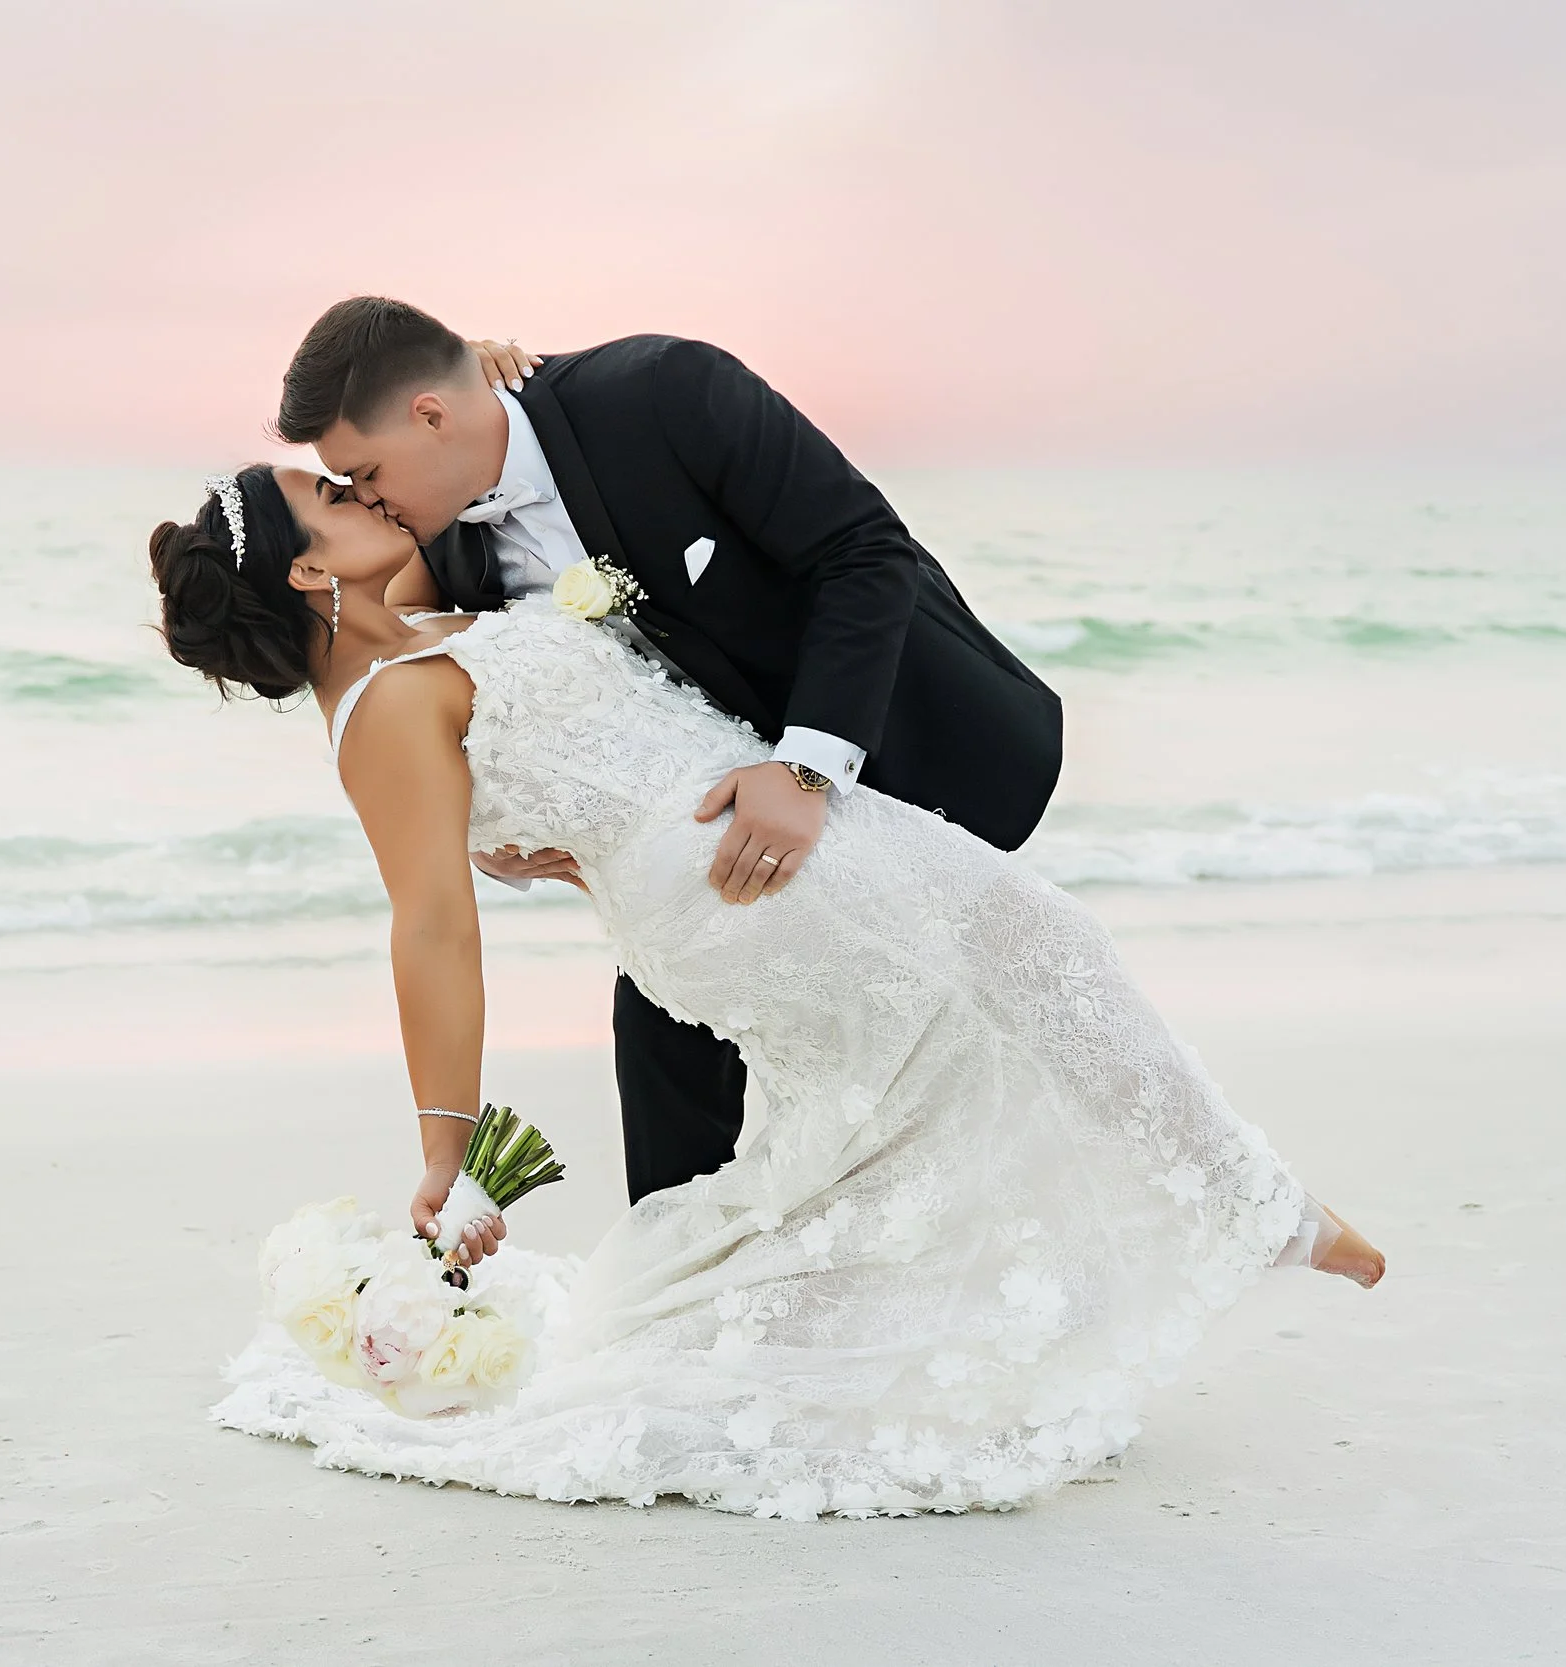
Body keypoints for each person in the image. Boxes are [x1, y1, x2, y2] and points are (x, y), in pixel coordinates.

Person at [146, 447, 1383, 1518]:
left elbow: (514, 625)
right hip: (742, 886)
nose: (360, 489)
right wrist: (443, 1146)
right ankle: (1253, 1205)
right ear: (312, 570)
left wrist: (498, 367)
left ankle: (1175, 1240)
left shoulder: (407, 628)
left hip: (747, 853)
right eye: (329, 494)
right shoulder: (377, 711)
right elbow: (431, 929)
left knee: (900, 1098)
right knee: (1037, 962)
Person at [279, 298, 1065, 1210]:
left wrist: (805, 766)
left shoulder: (661, 391)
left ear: (430, 414)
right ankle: (681, 1304)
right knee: (665, 1057)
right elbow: (450, 695)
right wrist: (496, 829)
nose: (367, 497)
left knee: (998, 1030)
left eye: (365, 472)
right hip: (705, 839)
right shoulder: (448, 538)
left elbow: (863, 550)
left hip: (906, 751)